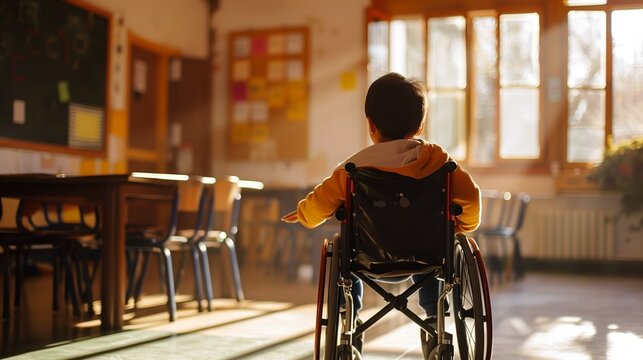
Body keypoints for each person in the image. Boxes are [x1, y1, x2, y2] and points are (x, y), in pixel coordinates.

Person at [281, 72, 481, 356]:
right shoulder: (440, 164)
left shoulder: (354, 168)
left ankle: (350, 319)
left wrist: (303, 214)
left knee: (346, 244)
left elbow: (320, 205)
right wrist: (462, 226)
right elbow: (472, 199)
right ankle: (434, 320)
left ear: (371, 125)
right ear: (420, 124)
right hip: (429, 256)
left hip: (368, 258)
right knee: (436, 249)